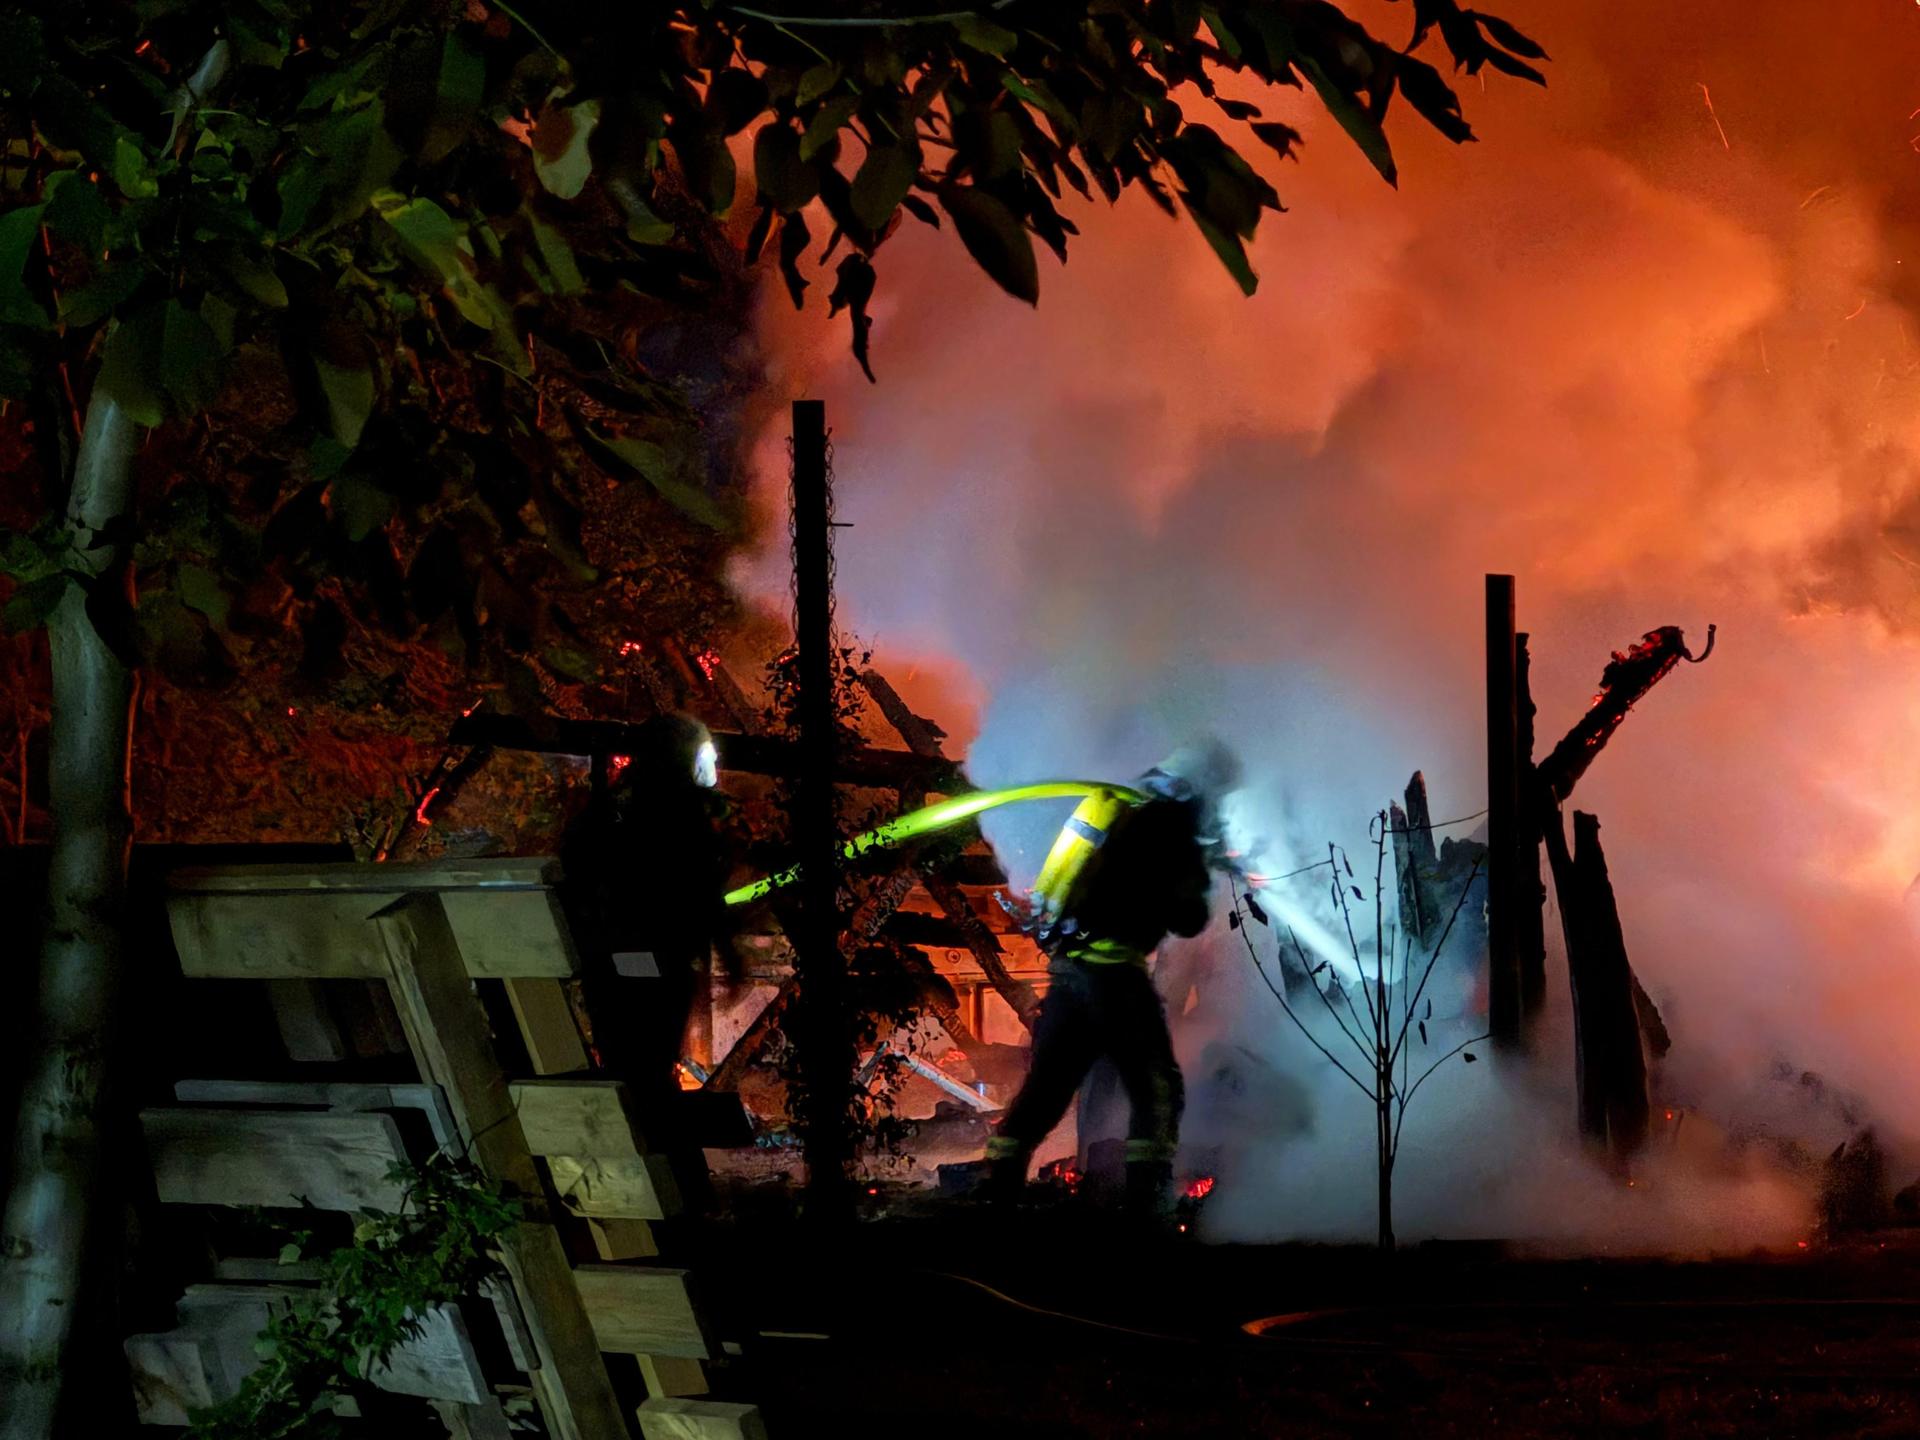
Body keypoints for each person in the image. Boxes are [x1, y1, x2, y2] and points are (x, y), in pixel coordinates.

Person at [984, 740, 1239, 1220]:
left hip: (1069, 974)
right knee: (1157, 1089)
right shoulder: (1175, 830)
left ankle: (996, 1201)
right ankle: (1149, 1209)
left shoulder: (1112, 807)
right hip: (1117, 978)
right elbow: (1188, 919)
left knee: (1044, 1094)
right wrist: (1203, 865)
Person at [559, 713, 729, 1125]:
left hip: (605, 965)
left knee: (627, 1067)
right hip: (654, 963)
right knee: (650, 1073)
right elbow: (701, 887)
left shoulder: (605, 812)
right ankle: (660, 1157)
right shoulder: (680, 817)